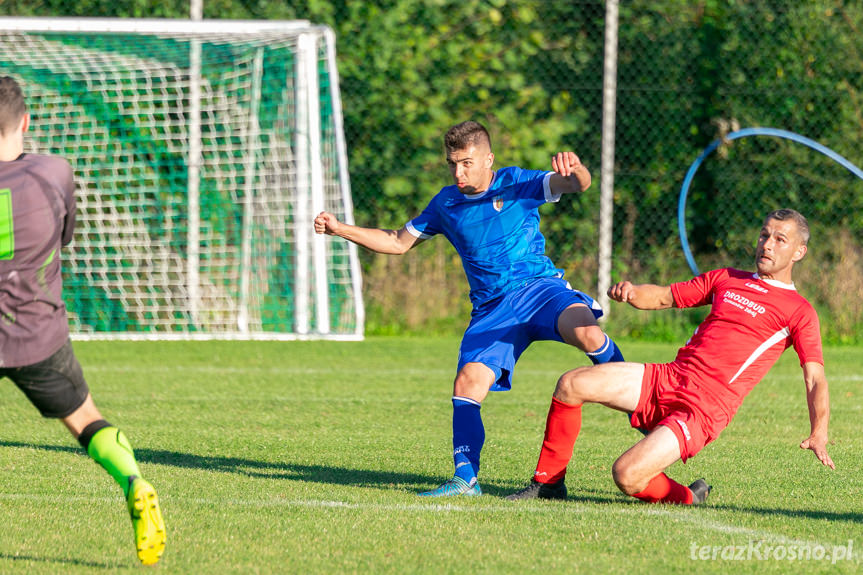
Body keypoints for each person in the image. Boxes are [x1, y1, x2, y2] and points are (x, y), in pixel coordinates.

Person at [314, 120, 624, 496]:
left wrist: (575, 169)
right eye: (452, 164)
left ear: (488, 159)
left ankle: (645, 408)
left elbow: (577, 185)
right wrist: (339, 228)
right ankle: (465, 478)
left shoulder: (516, 182)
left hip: (539, 290)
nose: (459, 172)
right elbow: (397, 242)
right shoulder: (446, 203)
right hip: (492, 311)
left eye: (467, 163)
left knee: (587, 332)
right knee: (468, 384)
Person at [507, 208, 834, 503]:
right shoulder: (727, 278)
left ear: (799, 252)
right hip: (667, 377)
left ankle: (689, 498)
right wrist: (633, 293)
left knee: (627, 475)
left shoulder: (800, 312)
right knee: (571, 384)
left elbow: (815, 376)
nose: (767, 244)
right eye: (764, 235)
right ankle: (548, 484)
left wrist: (819, 431)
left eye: (780, 239)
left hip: (703, 408)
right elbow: (665, 296)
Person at [0, 76, 166, 564]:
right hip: (36, 335)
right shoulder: (53, 171)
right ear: (25, 123)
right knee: (87, 420)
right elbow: (65, 235)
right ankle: (133, 480)